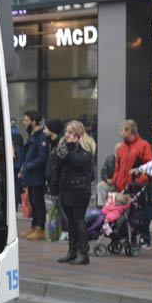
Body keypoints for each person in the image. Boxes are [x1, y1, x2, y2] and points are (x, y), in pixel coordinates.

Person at [51, 120, 96, 265]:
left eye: (70, 132)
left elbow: (79, 163)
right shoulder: (62, 147)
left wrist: (71, 146)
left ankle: (83, 253)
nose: (67, 135)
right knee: (69, 221)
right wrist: (54, 187)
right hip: (66, 188)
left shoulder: (86, 146)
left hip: (80, 189)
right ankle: (72, 251)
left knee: (79, 220)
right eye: (66, 132)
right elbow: (56, 167)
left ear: (78, 133)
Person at [112, 119, 152, 247]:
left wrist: (140, 181)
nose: (120, 133)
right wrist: (115, 180)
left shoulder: (143, 145)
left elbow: (149, 165)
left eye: (121, 130)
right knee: (125, 214)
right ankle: (130, 238)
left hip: (137, 187)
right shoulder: (122, 148)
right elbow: (117, 167)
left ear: (128, 131)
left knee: (141, 212)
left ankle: (145, 238)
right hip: (123, 187)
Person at [18, 110, 49, 240]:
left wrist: (28, 166)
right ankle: (34, 225)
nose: (24, 123)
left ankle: (40, 228)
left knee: (38, 202)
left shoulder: (41, 137)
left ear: (33, 122)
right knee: (32, 201)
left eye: (26, 120)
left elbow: (42, 158)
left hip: (37, 176)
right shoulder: (33, 136)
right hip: (30, 176)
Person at [10, 118, 24, 208]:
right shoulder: (20, 136)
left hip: (9, 164)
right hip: (17, 164)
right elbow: (22, 152)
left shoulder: (6, 134)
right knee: (16, 184)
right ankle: (15, 204)